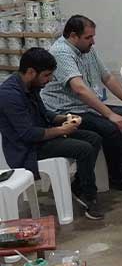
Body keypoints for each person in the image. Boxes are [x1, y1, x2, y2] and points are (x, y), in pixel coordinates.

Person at [41, 15, 122, 192]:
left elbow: (107, 77)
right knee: (111, 127)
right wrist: (110, 115)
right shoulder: (61, 52)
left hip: (86, 106)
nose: (93, 41)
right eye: (88, 37)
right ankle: (115, 176)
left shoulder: (87, 49)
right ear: (73, 36)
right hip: (66, 110)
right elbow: (79, 89)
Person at [0, 48, 103, 219]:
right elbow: (28, 134)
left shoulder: (30, 86)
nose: (49, 80)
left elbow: (44, 113)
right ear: (31, 72)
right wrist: (62, 130)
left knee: (94, 138)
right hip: (27, 150)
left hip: (41, 138)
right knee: (84, 148)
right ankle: (89, 196)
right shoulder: (9, 95)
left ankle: (79, 185)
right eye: (46, 75)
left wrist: (65, 117)